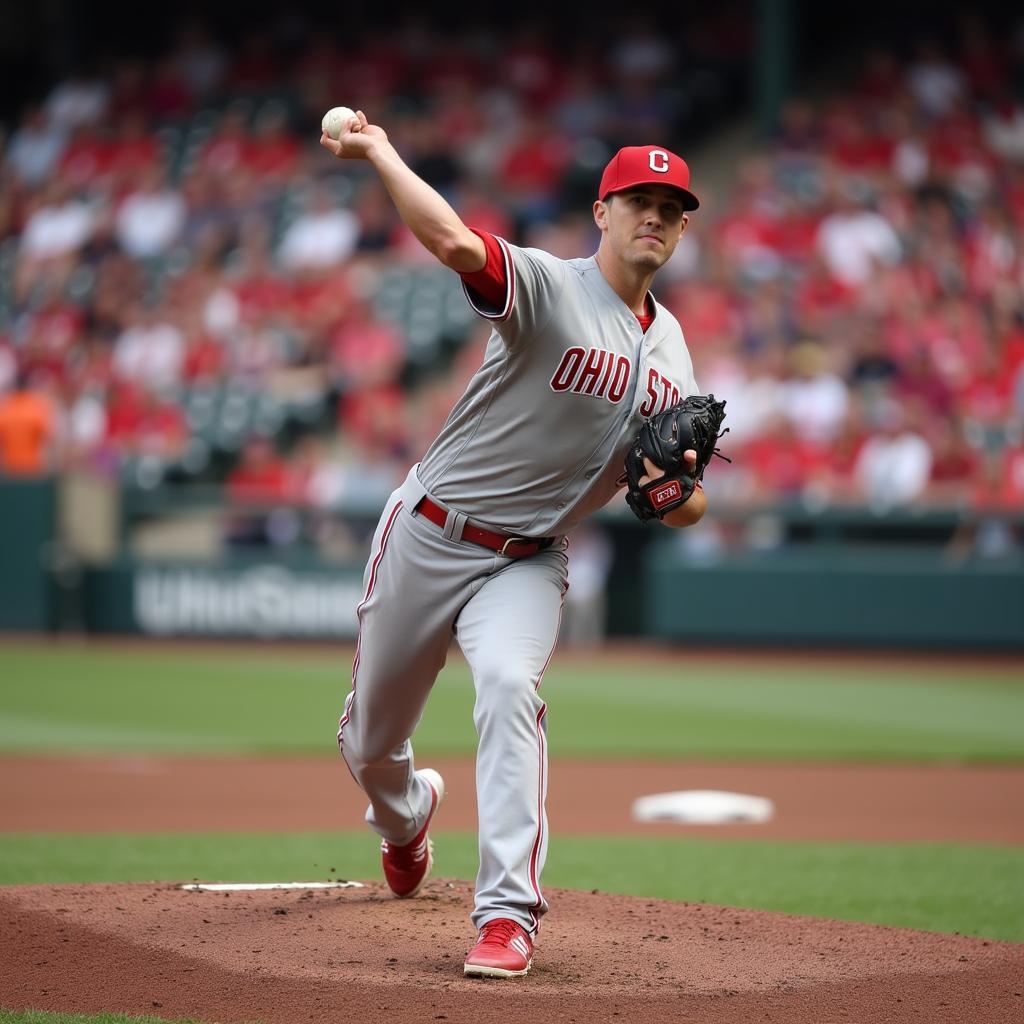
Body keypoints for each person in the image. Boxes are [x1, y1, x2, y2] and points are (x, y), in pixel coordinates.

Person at [321, 110, 708, 979]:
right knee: (369, 744)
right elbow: (457, 243)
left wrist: (673, 492)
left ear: (684, 230)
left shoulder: (674, 350)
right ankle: (407, 815)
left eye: (672, 208)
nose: (655, 217)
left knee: (506, 685)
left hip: (529, 557)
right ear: (602, 213)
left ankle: (506, 915)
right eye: (639, 201)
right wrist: (382, 149)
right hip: (429, 529)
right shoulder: (547, 284)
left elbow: (685, 508)